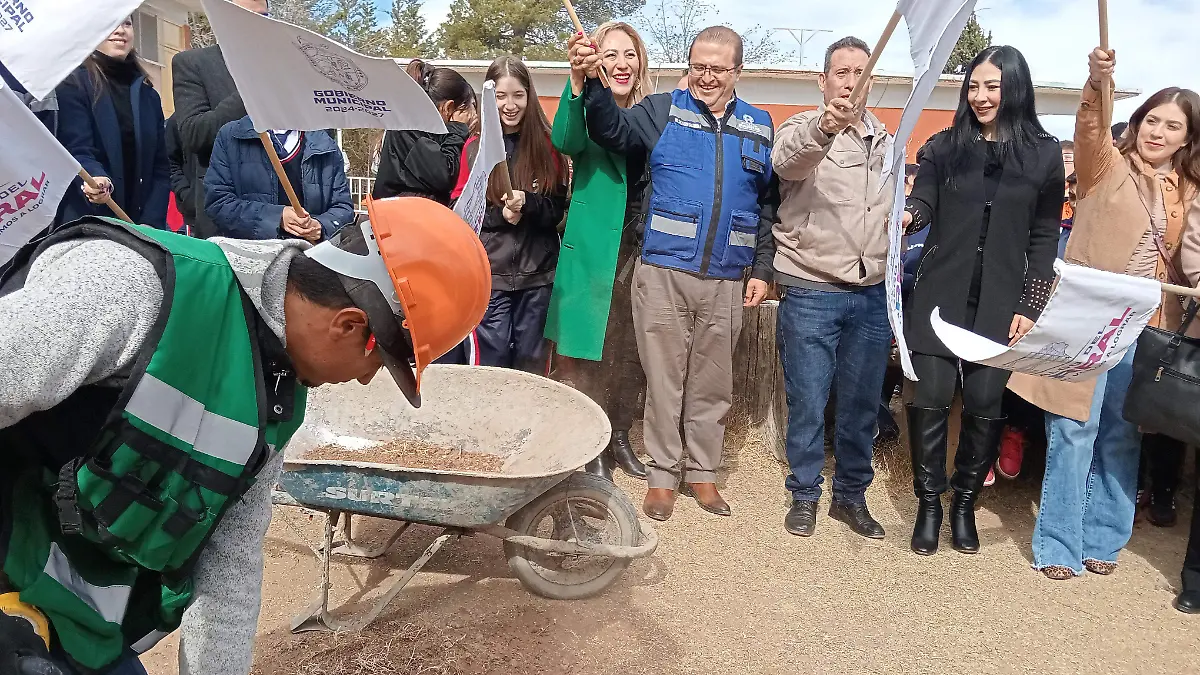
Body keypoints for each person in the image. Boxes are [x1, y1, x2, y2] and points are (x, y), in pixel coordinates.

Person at [0, 197, 491, 675]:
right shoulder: (136, 286)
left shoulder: (277, 400)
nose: (365, 380)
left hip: (67, 612)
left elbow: (228, 568)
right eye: (378, 363)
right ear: (350, 324)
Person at [1010, 47, 1199, 580]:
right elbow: (1090, 128)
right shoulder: (1106, 166)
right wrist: (1097, 84)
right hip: (1087, 319)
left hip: (1146, 327)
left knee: (1121, 430)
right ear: (1137, 123)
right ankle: (1057, 543)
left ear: (1188, 138)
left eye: (1173, 126)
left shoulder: (1190, 191)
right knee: (1073, 427)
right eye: (1152, 120)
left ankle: (1105, 536)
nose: (1158, 132)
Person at [575, 26, 778, 520]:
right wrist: (594, 85)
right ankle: (663, 475)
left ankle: (703, 473)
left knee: (713, 382)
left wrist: (762, 267)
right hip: (663, 270)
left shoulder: (759, 124)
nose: (706, 77)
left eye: (717, 68)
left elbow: (767, 202)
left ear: (737, 71)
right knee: (664, 380)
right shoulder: (662, 110)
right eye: (698, 66)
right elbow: (611, 132)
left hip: (728, 276)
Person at [902, 45, 1063, 556]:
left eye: (992, 86)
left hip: (1000, 301)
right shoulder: (945, 146)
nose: (981, 96)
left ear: (1015, 87)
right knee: (929, 396)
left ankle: (964, 503)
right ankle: (930, 502)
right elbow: (924, 198)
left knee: (985, 402)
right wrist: (911, 215)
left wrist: (1030, 305)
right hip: (938, 293)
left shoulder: (1043, 153)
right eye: (974, 86)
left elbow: (1043, 235)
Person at [768, 36, 895, 540]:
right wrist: (827, 125)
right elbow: (787, 164)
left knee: (863, 401)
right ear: (824, 81)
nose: (851, 82)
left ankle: (850, 496)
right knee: (808, 399)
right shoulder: (804, 127)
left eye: (860, 73)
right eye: (841, 72)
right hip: (811, 288)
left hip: (870, 293)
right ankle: (804, 494)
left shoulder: (888, 140)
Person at [547, 22, 653, 481]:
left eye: (628, 55)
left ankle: (621, 436)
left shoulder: (654, 112)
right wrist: (576, 82)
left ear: (640, 61)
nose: (620, 64)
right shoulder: (586, 105)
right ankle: (591, 444)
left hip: (638, 242)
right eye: (610, 55)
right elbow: (565, 142)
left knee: (628, 349)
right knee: (588, 349)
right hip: (593, 242)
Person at [475, 57, 569, 372]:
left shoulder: (549, 146)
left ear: (529, 96)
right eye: (501, 96)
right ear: (488, 99)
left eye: (518, 95)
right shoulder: (475, 147)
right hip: (491, 276)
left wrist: (527, 203)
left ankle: (531, 422)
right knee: (493, 358)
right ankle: (491, 421)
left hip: (538, 275)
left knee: (532, 361)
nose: (510, 105)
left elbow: (557, 208)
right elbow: (465, 213)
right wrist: (501, 214)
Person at [55, 17, 169, 228]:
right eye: (111, 23)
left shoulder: (148, 94)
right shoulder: (73, 84)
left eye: (126, 24)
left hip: (143, 227)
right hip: (90, 221)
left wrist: (151, 222)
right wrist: (97, 179)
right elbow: (77, 149)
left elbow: (160, 167)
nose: (120, 31)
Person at [171, 0, 269, 237]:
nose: (256, 24)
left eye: (263, 16)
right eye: (246, 16)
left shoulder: (285, 65)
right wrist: (251, 91)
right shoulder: (193, 64)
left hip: (282, 216)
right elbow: (195, 134)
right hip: (222, 215)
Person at [203, 118, 353, 241]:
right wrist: (277, 217)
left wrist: (321, 226)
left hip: (308, 263)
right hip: (247, 258)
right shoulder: (231, 136)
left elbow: (343, 208)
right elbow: (218, 203)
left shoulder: (325, 144)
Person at [372, 61, 477, 205]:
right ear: (448, 108)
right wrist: (458, 128)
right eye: (468, 107)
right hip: (403, 221)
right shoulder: (410, 129)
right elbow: (445, 175)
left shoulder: (416, 127)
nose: (473, 114)